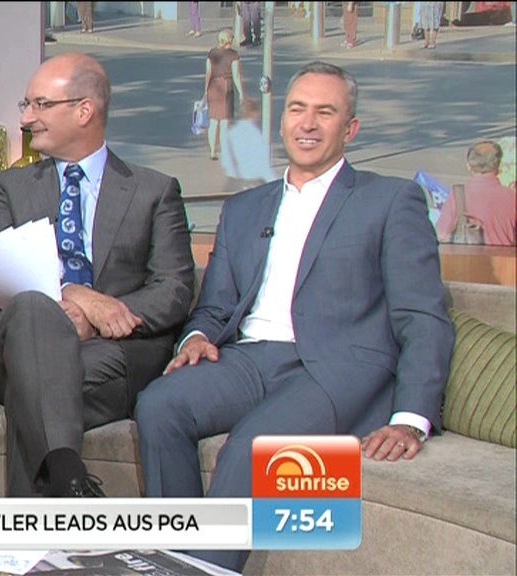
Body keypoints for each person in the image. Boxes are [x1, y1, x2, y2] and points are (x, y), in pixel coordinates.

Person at [135, 61, 455, 572]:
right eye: (297, 109)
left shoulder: (391, 200)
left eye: (325, 112)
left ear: (350, 128)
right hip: (249, 359)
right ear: (282, 121)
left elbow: (423, 316)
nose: (307, 123)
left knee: (254, 447)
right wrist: (195, 336)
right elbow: (215, 307)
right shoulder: (244, 209)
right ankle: (172, 560)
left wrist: (411, 419)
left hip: (338, 368)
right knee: (159, 405)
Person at [0, 53, 195, 497]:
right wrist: (76, 295)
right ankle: (68, 480)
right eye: (26, 105)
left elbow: (175, 288)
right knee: (32, 314)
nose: (26, 119)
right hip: (19, 337)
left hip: (113, 352)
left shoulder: (154, 191)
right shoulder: (9, 188)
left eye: (40, 105)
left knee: (37, 385)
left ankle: (54, 495)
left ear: (84, 110)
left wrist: (104, 318)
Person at [436, 140, 516, 246]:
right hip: (506, 256)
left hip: (469, 255)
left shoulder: (458, 196)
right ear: (498, 166)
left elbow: (441, 235)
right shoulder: (512, 197)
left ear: (469, 166)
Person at [205, 28, 244, 161]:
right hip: (226, 87)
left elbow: (208, 72)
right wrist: (241, 93)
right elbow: (236, 75)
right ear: (229, 40)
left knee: (213, 121)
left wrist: (206, 90)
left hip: (213, 86)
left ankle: (212, 151)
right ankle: (224, 151)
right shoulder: (233, 55)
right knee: (224, 122)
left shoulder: (212, 53)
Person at [220, 97, 276, 190]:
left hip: (233, 182)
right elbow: (263, 165)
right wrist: (274, 183)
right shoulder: (255, 134)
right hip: (253, 182)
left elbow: (225, 161)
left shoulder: (231, 132)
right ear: (254, 113)